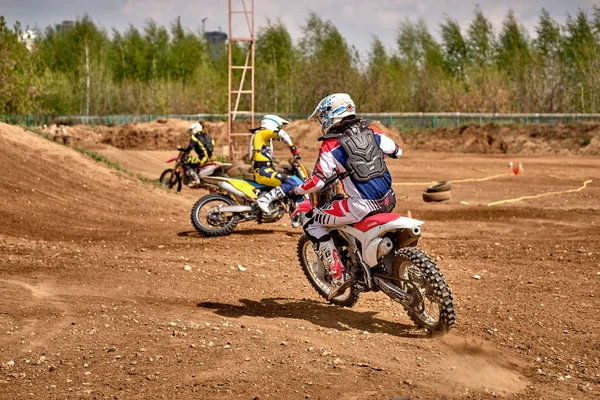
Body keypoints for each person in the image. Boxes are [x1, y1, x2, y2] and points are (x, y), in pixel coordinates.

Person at [288, 93, 403, 298]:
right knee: (347, 207)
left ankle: (339, 275)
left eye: (321, 116)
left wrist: (296, 190)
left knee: (311, 221)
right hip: (388, 199)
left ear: (329, 115)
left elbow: (318, 181)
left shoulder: (331, 145)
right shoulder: (372, 131)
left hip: (361, 206)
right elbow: (397, 151)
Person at [249, 114, 301, 214]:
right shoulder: (262, 133)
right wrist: (292, 147)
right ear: (273, 125)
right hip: (263, 171)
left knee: (287, 179)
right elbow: (282, 134)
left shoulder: (262, 137)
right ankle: (264, 200)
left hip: (265, 169)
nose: (279, 128)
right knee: (291, 183)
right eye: (279, 126)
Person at [180, 122, 215, 187]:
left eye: (191, 130)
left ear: (195, 129)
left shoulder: (195, 137)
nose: (190, 132)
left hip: (203, 159)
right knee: (193, 162)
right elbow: (212, 143)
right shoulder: (208, 136)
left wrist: (183, 150)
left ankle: (195, 179)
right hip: (211, 158)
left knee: (185, 162)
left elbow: (190, 147)